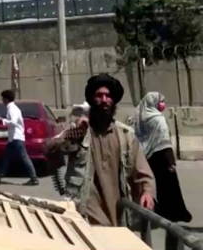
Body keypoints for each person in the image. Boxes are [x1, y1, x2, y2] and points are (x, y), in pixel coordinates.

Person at [49, 73, 155, 227]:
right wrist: (73, 134)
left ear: (114, 101)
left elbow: (143, 173)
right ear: (92, 99)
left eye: (108, 96)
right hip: (84, 214)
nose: (104, 100)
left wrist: (147, 192)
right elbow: (50, 149)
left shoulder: (126, 136)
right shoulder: (80, 130)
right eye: (99, 95)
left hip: (118, 216)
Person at [134, 92, 192, 223]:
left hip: (148, 156)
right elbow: (164, 141)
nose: (162, 104)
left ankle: (161, 210)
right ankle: (176, 213)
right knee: (170, 186)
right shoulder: (158, 119)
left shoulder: (141, 117)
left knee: (159, 185)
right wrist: (171, 162)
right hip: (163, 157)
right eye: (160, 101)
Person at [0, 89, 38, 185]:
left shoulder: (12, 109)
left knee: (24, 157)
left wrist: (3, 121)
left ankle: (34, 178)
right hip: (13, 138)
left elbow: (13, 122)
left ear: (6, 99)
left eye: (3, 98)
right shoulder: (11, 108)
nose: (2, 100)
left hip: (16, 138)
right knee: (6, 158)